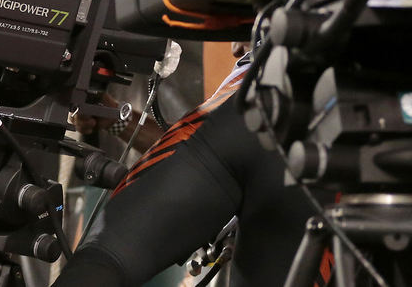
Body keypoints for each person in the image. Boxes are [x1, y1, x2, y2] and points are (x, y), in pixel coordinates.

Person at [54, 51, 327, 286]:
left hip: (266, 95)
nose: (234, 48)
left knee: (103, 259)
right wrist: (115, 119)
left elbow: (204, 155)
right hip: (333, 118)